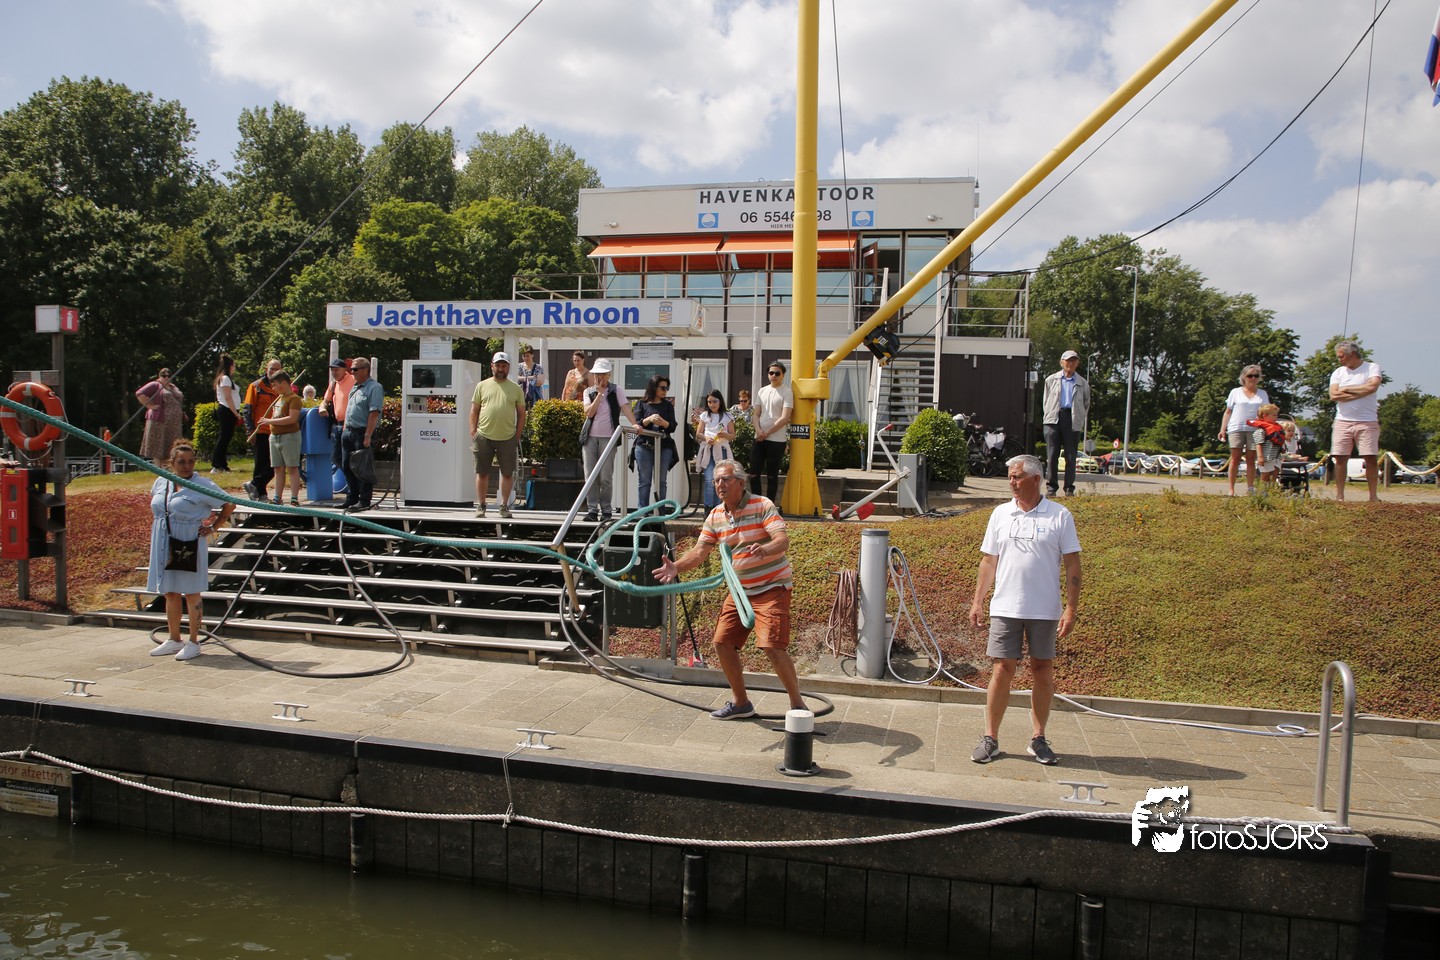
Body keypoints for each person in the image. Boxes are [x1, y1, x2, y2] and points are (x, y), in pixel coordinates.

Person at [652, 459, 806, 719]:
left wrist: (765, 549)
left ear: (741, 483)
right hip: (740, 592)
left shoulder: (762, 505)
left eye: (725, 479)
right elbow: (700, 552)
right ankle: (741, 703)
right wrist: (676, 567)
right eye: (716, 481)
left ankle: (798, 706)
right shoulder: (715, 515)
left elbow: (782, 541)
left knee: (771, 646)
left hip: (772, 587)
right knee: (722, 643)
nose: (719, 485)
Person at [969, 454, 1082, 766]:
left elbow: (1073, 564)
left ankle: (1038, 738)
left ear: (1035, 479)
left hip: (1044, 609)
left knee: (1042, 669)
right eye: (1010, 477)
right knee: (1001, 669)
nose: (1012, 482)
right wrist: (978, 600)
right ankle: (990, 738)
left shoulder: (1059, 516)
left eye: (1017, 477)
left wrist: (1071, 608)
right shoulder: (1000, 514)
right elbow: (988, 561)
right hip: (1006, 606)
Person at [146, 439, 235, 662]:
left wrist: (214, 526)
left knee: (192, 592)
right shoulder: (161, 482)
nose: (186, 466)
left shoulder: (202, 484)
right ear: (172, 462)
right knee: (170, 591)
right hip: (164, 540)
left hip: (188, 541)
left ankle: (194, 641)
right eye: (181, 462)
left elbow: (229, 503)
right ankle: (174, 638)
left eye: (190, 461)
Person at [469, 350, 526, 518]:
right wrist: (473, 432)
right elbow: (474, 410)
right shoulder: (482, 385)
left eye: (504, 366)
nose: (501, 369)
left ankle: (504, 506)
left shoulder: (515, 388)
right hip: (483, 436)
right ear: (492, 366)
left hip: (507, 437)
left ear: (508, 368)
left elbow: (522, 413)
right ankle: (481, 506)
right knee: (482, 472)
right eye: (498, 365)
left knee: (507, 473)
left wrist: (517, 435)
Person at [579, 358, 637, 521]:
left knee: (605, 476)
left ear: (609, 375)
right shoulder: (588, 392)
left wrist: (634, 424)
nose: (599, 378)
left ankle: (606, 510)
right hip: (590, 438)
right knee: (590, 475)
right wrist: (599, 395)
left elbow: (625, 407)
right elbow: (588, 413)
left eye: (603, 374)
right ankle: (592, 510)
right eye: (597, 374)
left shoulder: (616, 390)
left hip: (609, 438)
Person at [1329, 340, 1383, 502]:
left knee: (1370, 457)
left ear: (1352, 354)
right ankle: (1340, 496)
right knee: (1340, 458)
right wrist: (1361, 391)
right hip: (1342, 421)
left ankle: (1373, 496)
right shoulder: (1338, 372)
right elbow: (1334, 395)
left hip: (1367, 421)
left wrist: (1346, 389)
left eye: (1341, 356)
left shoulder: (1372, 367)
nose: (1339, 359)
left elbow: (1372, 387)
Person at [1041, 350, 1090, 496]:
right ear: (1061, 362)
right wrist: (1048, 415)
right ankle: (1051, 487)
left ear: (1077, 363)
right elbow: (1046, 400)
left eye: (1073, 360)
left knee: (1070, 456)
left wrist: (1080, 417)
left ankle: (1069, 488)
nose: (1070, 363)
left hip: (1072, 419)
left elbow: (1086, 403)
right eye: (1068, 360)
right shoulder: (1051, 380)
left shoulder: (1082, 383)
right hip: (1053, 419)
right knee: (1052, 455)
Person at [1217, 364, 1269, 496]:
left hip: (1255, 429)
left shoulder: (1262, 394)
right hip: (1236, 427)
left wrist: (1267, 428)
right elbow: (1228, 411)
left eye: (1256, 376)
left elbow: (1266, 413)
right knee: (1235, 459)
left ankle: (1250, 488)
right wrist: (1223, 429)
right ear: (1244, 377)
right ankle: (1231, 489)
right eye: (1250, 375)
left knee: (1251, 459)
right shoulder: (1235, 392)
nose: (1253, 378)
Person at [340, 358, 384, 512]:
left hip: (362, 432)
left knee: (363, 468)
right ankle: (351, 498)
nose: (352, 372)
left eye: (355, 369)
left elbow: (374, 413)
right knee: (347, 466)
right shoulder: (355, 387)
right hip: (349, 432)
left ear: (366, 370)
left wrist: (368, 436)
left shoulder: (375, 387)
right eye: (351, 369)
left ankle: (364, 500)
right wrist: (345, 429)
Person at [256, 371, 303, 505]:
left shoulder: (294, 399)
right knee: (278, 468)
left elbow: (292, 418)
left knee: (292, 467)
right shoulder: (279, 399)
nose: (273, 388)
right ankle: (277, 497)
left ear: (284, 383)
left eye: (275, 385)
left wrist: (269, 421)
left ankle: (294, 498)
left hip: (290, 437)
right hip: (275, 437)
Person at [632, 374, 679, 508]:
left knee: (661, 481)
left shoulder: (668, 405)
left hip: (664, 446)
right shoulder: (641, 404)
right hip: (644, 445)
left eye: (667, 388)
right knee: (644, 481)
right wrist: (650, 419)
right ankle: (643, 512)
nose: (665, 391)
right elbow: (636, 424)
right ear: (654, 387)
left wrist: (663, 422)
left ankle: (660, 512)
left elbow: (672, 426)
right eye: (663, 388)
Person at [752, 362, 793, 501]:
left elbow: (785, 418)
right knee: (753, 474)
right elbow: (756, 414)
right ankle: (757, 503)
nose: (773, 375)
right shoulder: (762, 391)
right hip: (759, 438)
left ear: (783, 375)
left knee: (772, 476)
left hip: (777, 440)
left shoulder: (787, 392)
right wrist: (758, 431)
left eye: (777, 373)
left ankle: (769, 506)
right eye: (771, 373)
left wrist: (767, 432)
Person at [242, 359, 281, 502]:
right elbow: (247, 409)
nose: (274, 371)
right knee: (261, 464)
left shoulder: (281, 387)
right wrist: (250, 431)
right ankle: (260, 493)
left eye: (277, 369)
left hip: (276, 431)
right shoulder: (256, 386)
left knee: (274, 464)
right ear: (266, 369)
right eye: (272, 368)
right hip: (261, 430)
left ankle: (254, 485)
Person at [693, 390, 736, 509]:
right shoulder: (705, 415)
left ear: (720, 401)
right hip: (708, 450)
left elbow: (733, 435)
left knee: (720, 479)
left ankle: (719, 508)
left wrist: (725, 435)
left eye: (715, 401)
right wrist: (706, 438)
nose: (712, 404)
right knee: (709, 479)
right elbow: (698, 433)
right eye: (709, 402)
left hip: (721, 450)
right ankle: (708, 508)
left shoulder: (727, 416)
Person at [316, 358, 354, 485]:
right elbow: (325, 400)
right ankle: (353, 482)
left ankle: (355, 485)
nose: (334, 372)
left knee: (348, 458)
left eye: (336, 370)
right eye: (332, 370)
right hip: (338, 425)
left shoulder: (353, 380)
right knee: (336, 457)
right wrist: (322, 408)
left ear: (345, 370)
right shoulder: (333, 384)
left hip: (351, 425)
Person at [136, 368, 184, 466]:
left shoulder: (173, 387)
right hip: (159, 421)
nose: (166, 378)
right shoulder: (155, 385)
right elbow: (139, 393)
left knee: (172, 444)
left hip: (174, 423)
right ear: (159, 376)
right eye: (164, 376)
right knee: (158, 445)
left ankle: (169, 466)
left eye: (168, 376)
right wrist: (150, 406)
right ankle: (158, 468)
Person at [210, 355, 241, 474]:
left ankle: (222, 464)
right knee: (224, 437)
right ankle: (217, 464)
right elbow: (228, 398)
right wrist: (235, 413)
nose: (234, 368)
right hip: (226, 410)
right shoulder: (225, 379)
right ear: (230, 366)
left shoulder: (225, 379)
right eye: (234, 365)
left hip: (228, 410)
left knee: (225, 438)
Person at [1247, 403, 1286, 489]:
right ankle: (1261, 490)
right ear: (1265, 416)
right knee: (1265, 474)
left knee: (1274, 473)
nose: (1276, 417)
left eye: (1276, 415)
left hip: (1276, 456)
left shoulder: (1276, 428)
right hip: (1266, 457)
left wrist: (1282, 449)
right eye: (1274, 415)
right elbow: (1258, 444)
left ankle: (1271, 490)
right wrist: (1260, 457)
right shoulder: (1261, 430)